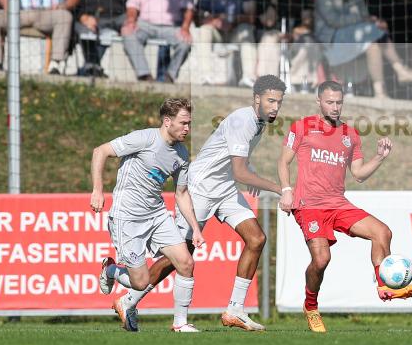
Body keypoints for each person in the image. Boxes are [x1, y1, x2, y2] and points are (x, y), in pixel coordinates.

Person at [113, 77, 286, 332]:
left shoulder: (259, 122)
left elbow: (235, 161)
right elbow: (239, 172)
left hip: (225, 189)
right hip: (200, 187)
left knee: (257, 239)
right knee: (180, 256)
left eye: (279, 102)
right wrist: (279, 188)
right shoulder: (243, 120)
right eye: (271, 100)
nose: (275, 107)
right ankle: (129, 300)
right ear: (257, 98)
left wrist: (252, 168)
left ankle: (235, 310)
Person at [278, 80, 412, 333]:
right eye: (329, 102)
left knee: (382, 232)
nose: (335, 107)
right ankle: (311, 307)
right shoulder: (301, 127)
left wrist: (379, 157)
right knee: (321, 260)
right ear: (319, 101)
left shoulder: (350, 134)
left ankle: (384, 286)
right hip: (309, 205)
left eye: (339, 102)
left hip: (339, 204)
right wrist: (286, 191)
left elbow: (358, 174)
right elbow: (283, 162)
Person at [91, 98, 204, 333]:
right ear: (167, 121)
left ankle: (180, 323)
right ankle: (110, 270)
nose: (187, 129)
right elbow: (100, 151)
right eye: (183, 123)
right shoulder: (144, 138)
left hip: (156, 214)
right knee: (140, 282)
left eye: (189, 124)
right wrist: (97, 190)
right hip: (127, 216)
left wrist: (195, 227)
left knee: (185, 262)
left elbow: (181, 194)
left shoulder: (182, 154)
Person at [314, 0, 412, 99]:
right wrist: (364, 19)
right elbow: (334, 21)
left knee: (373, 45)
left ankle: (380, 92)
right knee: (374, 30)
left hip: (354, 39)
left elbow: (364, 18)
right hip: (331, 41)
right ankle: (400, 68)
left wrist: (371, 20)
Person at [122, 0, 193, 83]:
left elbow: (189, 8)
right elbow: (132, 4)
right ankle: (144, 75)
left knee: (186, 42)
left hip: (171, 27)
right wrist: (131, 20)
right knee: (127, 32)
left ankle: (170, 76)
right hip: (145, 24)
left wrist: (185, 28)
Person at [192, 0, 258, 86]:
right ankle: (205, 77)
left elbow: (251, 17)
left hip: (236, 30)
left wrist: (232, 20)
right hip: (216, 32)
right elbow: (197, 19)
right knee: (203, 31)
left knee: (246, 31)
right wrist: (214, 21)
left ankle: (249, 78)